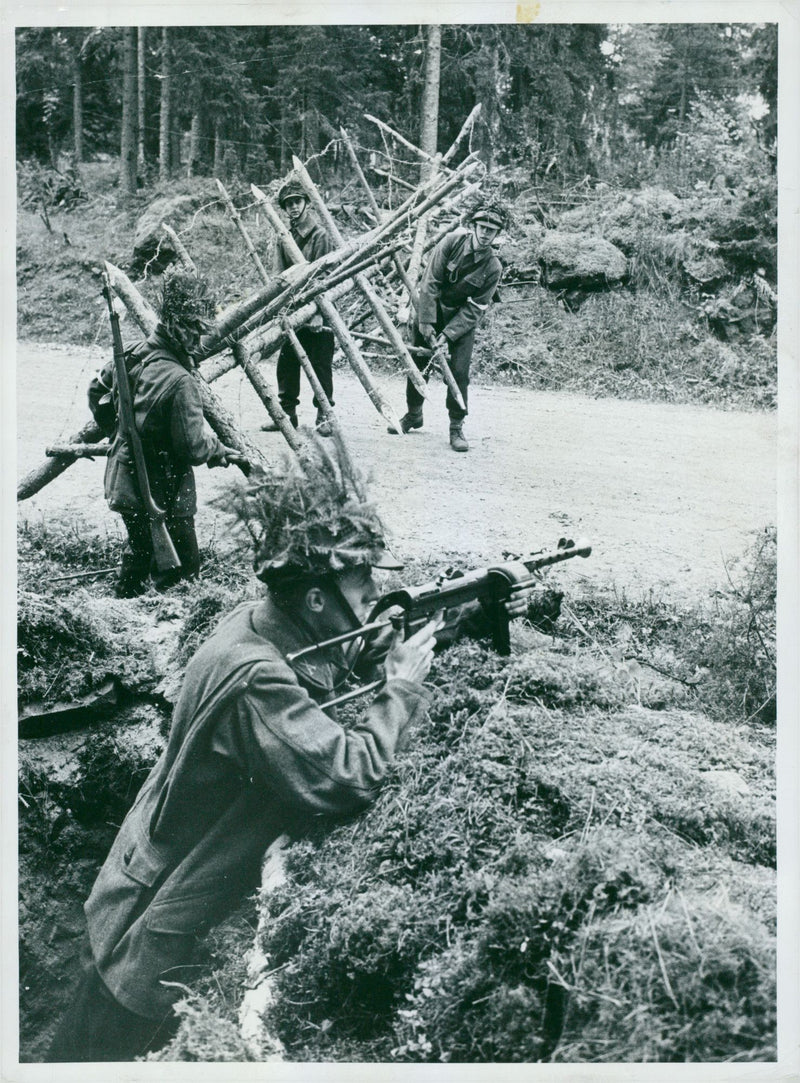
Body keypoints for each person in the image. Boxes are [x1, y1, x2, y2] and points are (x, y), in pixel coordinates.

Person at [45, 433, 442, 1062]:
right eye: (363, 589)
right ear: (317, 600)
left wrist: (362, 646)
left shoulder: (257, 622)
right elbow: (346, 776)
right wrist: (400, 690)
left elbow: (308, 669)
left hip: (143, 879)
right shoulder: (257, 681)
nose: (374, 599)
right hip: (150, 936)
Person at [88, 268, 246, 598]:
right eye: (195, 333)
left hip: (124, 481)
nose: (199, 343)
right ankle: (163, 618)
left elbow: (96, 391)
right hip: (167, 490)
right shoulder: (181, 382)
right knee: (183, 576)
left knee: (140, 550)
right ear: (180, 328)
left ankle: (124, 606)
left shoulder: (131, 354)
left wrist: (119, 433)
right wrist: (219, 450)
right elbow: (193, 447)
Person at [389, 199, 507, 452]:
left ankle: (456, 426)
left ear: (497, 233)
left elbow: (476, 308)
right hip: (431, 310)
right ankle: (414, 414)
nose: (486, 234)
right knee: (418, 364)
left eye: (492, 230)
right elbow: (430, 282)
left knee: (459, 373)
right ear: (473, 226)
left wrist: (449, 334)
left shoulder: (493, 267)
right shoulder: (451, 242)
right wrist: (426, 322)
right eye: (483, 227)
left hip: (461, 323)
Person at [261, 176, 336, 435]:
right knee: (287, 364)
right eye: (288, 204)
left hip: (317, 309)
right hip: (292, 310)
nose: (293, 207)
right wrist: (280, 308)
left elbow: (325, 277)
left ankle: (324, 415)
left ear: (306, 203)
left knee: (320, 364)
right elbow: (279, 275)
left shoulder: (320, 235)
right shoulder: (285, 237)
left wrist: (318, 313)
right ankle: (287, 413)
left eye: (297, 202)